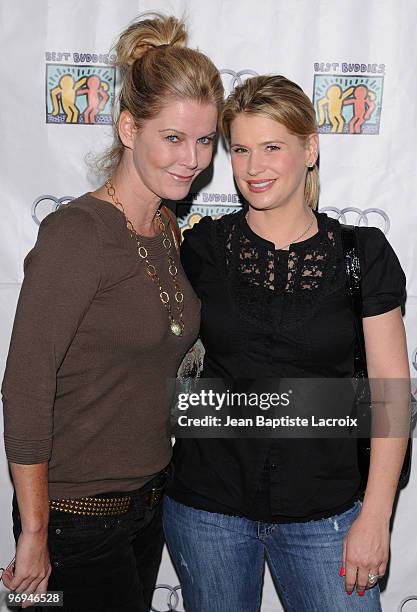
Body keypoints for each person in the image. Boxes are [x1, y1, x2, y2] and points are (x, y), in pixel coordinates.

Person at [1, 13, 223, 612]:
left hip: (148, 503)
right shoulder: (78, 234)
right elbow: (24, 387)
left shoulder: (168, 230)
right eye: (173, 138)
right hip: (76, 519)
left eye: (205, 140)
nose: (192, 159)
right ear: (129, 128)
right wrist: (35, 532)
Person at [163, 75, 409, 611]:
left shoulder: (360, 254)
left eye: (272, 147)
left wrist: (376, 516)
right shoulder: (201, 248)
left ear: (310, 148)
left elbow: (391, 396)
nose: (254, 168)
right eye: (242, 149)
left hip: (328, 514)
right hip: (209, 510)